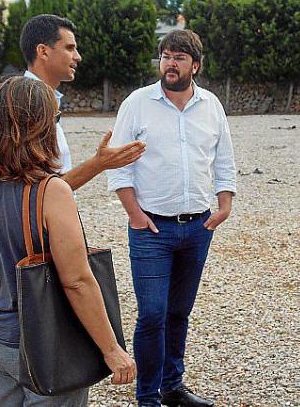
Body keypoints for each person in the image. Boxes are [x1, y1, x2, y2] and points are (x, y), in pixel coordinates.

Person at [0, 77, 137, 406]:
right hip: (44, 345)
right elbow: (77, 281)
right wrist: (112, 350)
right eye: (55, 118)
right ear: (41, 125)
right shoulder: (50, 191)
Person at [106, 30, 237, 407]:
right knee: (152, 314)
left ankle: (172, 386)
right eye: (165, 56)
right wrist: (134, 215)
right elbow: (118, 164)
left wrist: (224, 204)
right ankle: (147, 397)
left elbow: (223, 158)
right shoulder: (137, 103)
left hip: (198, 227)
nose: (170, 63)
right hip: (151, 229)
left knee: (179, 312)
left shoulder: (211, 105)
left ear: (195, 65)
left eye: (179, 57)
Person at [19, 13, 145, 187]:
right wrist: (99, 163)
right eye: (69, 48)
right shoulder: (25, 103)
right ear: (43, 51)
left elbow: (50, 184)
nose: (78, 57)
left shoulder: (42, 99)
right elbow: (37, 190)